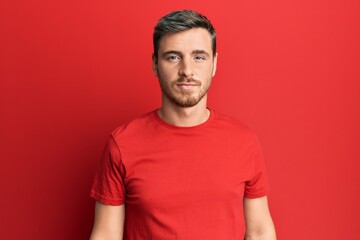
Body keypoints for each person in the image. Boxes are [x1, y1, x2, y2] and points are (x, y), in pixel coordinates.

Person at [89, 10, 276, 240]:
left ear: (215, 64)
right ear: (155, 64)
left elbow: (259, 232)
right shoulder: (122, 143)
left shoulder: (244, 141)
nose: (187, 71)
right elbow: (106, 235)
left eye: (199, 57)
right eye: (173, 57)